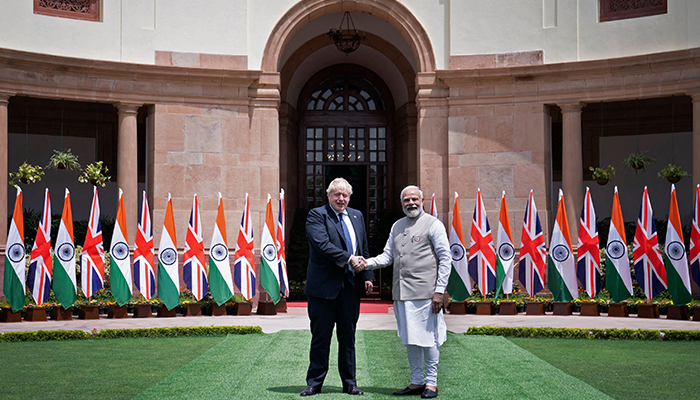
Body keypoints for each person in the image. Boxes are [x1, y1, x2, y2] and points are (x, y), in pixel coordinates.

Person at [354, 185, 451, 399]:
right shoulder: (397, 226)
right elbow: (387, 256)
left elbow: (446, 258)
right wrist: (365, 263)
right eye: (407, 200)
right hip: (402, 294)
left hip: (427, 294)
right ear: (402, 203)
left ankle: (431, 383)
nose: (411, 203)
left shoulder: (434, 225)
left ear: (422, 200)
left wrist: (439, 291)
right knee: (410, 338)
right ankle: (417, 381)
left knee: (429, 339)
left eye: (415, 199)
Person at [301, 178, 374, 397]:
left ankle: (350, 383)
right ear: (329, 195)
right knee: (321, 338)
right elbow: (322, 245)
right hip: (323, 289)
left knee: (348, 338)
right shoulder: (317, 215)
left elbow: (364, 247)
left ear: (350, 197)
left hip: (350, 288)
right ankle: (314, 383)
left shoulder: (357, 216)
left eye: (345, 195)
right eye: (337, 194)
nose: (341, 198)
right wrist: (350, 258)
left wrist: (368, 274)